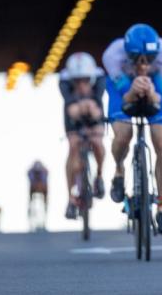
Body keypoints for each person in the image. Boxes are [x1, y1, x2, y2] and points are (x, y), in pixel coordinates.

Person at [103, 23, 162, 234]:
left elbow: (159, 94)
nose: (143, 65)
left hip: (155, 84)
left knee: (161, 141)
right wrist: (132, 90)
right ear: (127, 54)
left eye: (149, 60)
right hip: (123, 86)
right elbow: (124, 95)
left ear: (157, 55)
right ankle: (119, 169)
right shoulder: (113, 55)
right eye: (136, 59)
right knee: (123, 133)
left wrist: (151, 93)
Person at [58, 52, 107, 220]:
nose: (81, 84)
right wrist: (79, 108)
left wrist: (91, 108)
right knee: (73, 145)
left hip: (93, 109)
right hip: (73, 113)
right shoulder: (64, 80)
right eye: (77, 81)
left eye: (85, 80)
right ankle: (70, 196)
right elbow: (70, 107)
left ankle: (99, 176)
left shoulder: (100, 78)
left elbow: (97, 107)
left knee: (97, 141)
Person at [27, 160, 48, 231]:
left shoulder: (44, 172)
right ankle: (29, 207)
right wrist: (35, 186)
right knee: (31, 192)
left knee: (45, 191)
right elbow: (31, 182)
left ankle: (46, 206)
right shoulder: (30, 172)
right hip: (34, 186)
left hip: (42, 185)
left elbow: (44, 182)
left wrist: (41, 186)